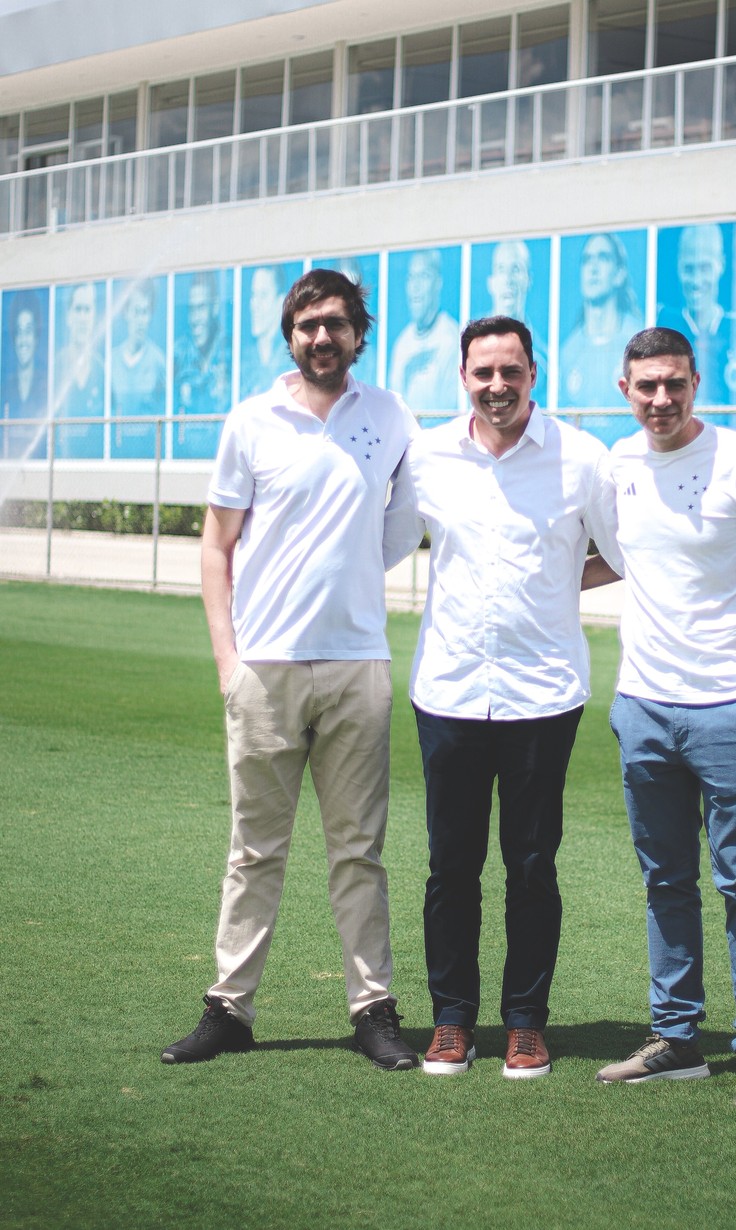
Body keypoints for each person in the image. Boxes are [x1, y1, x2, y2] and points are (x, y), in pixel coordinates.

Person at [162, 268, 420, 1071]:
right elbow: (216, 545)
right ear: (290, 335)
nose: (321, 338)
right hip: (264, 671)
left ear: (358, 333)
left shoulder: (389, 415)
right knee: (253, 850)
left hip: (358, 670)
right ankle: (229, 1010)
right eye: (307, 326)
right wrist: (227, 660)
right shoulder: (251, 421)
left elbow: (399, 531)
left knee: (359, 852)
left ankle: (372, 1010)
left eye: (336, 324)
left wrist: (338, 590)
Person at [384, 315, 619, 1079]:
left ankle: (524, 1022)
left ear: (533, 374)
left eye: (510, 371)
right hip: (448, 690)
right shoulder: (427, 456)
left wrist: (557, 585)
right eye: (483, 373)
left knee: (531, 866)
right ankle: (451, 1020)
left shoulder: (581, 458)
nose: (497, 386)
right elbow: (381, 542)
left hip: (543, 695)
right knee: (450, 867)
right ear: (463, 377)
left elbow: (624, 554)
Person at [593, 327, 736, 1109]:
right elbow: (610, 561)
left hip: (729, 706)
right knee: (665, 881)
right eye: (646, 385)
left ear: (695, 384)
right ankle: (678, 1039)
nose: (660, 399)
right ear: (626, 389)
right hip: (643, 707)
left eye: (674, 384)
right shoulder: (614, 465)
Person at [657, 224, 736, 410]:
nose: (696, 281)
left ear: (721, 265)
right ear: (678, 268)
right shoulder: (663, 324)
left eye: (705, 268)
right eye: (689, 269)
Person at [559, 233, 643, 410]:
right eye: (587, 260)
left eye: (603, 258)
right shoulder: (568, 351)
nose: (593, 268)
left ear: (619, 274)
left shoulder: (638, 341)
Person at [388, 249, 459, 411]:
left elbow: (452, 413)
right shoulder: (402, 344)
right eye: (411, 277)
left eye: (424, 276)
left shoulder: (452, 339)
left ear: (438, 283)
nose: (416, 286)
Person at [173, 270, 231, 456]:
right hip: (185, 456)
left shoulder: (229, 351)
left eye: (201, 308)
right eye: (191, 309)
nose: (194, 319)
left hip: (221, 456)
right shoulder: (178, 353)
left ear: (214, 308)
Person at [485, 240, 548, 390]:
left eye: (515, 269)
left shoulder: (543, 358)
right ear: (491, 282)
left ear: (528, 280)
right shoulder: (469, 344)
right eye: (501, 269)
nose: (508, 280)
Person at [54, 281, 104, 457]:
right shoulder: (56, 366)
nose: (83, 317)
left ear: (94, 315)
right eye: (78, 309)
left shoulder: (102, 370)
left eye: (87, 310)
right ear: (69, 316)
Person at [111, 280, 166, 418]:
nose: (140, 320)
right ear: (126, 313)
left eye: (145, 312)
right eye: (136, 312)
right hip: (118, 438)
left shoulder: (158, 361)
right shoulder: (111, 361)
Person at [2, 294, 48, 460]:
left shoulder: (46, 383)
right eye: (19, 332)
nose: (23, 341)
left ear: (36, 337)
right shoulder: (6, 386)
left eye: (28, 331)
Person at [240, 265, 291, 399]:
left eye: (263, 295)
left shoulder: (292, 356)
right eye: (253, 295)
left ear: (280, 301)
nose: (254, 304)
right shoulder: (242, 358)